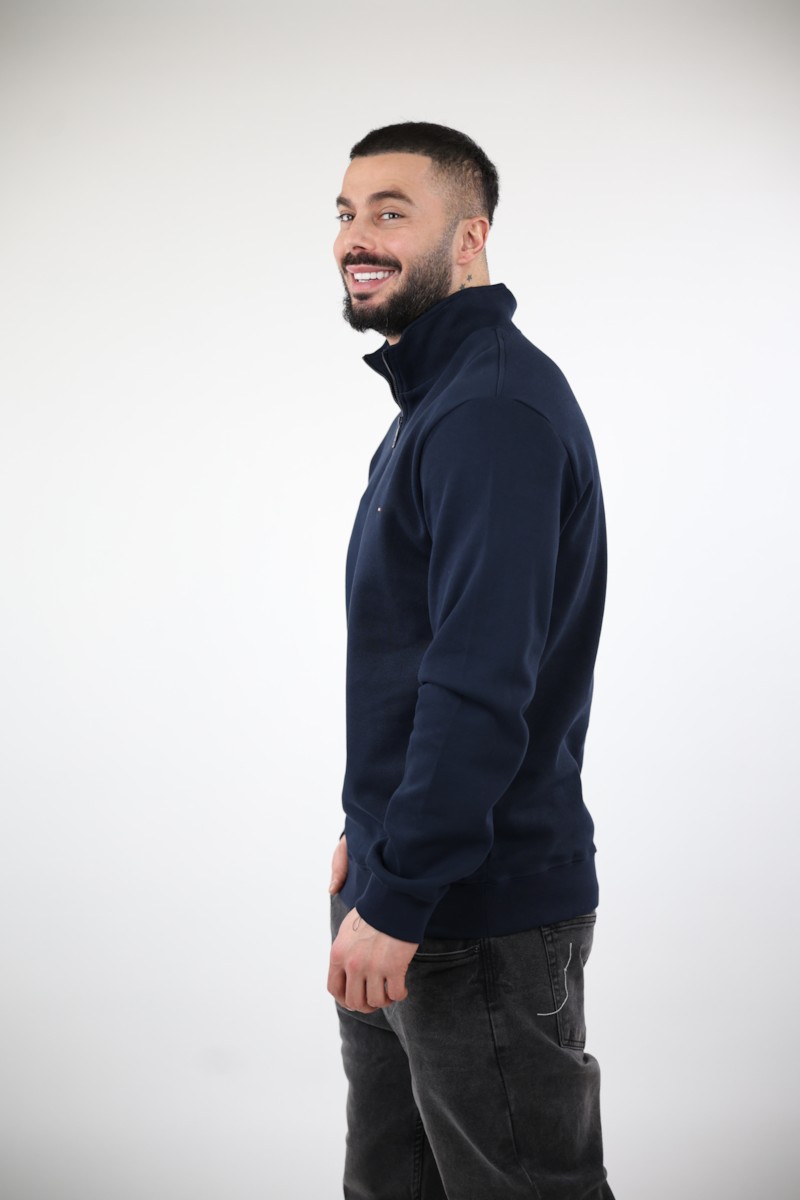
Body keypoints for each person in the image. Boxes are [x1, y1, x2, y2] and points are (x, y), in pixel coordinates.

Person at [326, 121, 615, 1200]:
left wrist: (402, 890)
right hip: (405, 886)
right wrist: (369, 833)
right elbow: (414, 655)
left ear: (470, 236)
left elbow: (480, 682)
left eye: (391, 211)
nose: (357, 237)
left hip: (470, 911)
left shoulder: (489, 409)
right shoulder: (439, 401)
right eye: (347, 213)